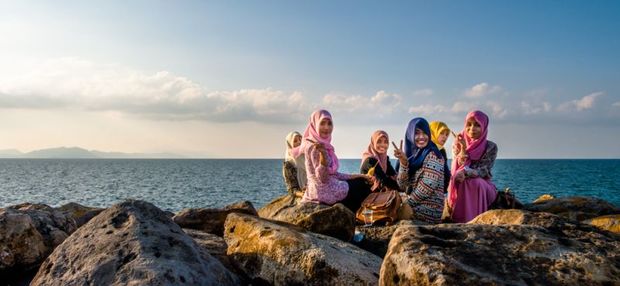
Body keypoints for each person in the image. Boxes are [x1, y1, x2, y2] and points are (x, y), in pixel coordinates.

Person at [300, 109, 372, 212]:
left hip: (321, 189)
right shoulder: (314, 146)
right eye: (322, 123)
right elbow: (322, 178)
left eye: (329, 123)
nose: (326, 127)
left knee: (360, 181)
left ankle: (351, 216)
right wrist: (323, 156)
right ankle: (351, 216)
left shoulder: (322, 144)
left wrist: (360, 175)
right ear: (314, 124)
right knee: (362, 186)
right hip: (323, 193)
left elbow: (333, 174)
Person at [447, 110, 498, 223]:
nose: (472, 128)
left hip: (483, 185)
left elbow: (484, 171)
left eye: (477, 125)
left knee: (474, 182)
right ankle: (459, 219)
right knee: (462, 181)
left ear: (484, 127)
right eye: (468, 124)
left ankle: (474, 220)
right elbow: (456, 167)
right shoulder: (457, 143)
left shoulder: (491, 147)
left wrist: (466, 172)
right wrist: (463, 149)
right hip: (460, 180)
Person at [393, 118, 446, 224]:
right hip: (415, 205)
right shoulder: (411, 156)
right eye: (416, 133)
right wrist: (403, 163)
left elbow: (428, 185)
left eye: (425, 133)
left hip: (429, 210)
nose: (421, 137)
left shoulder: (433, 154)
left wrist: (407, 203)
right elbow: (402, 185)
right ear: (410, 135)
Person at [429, 121, 452, 193]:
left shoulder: (424, 148)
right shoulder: (439, 150)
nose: (444, 137)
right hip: (434, 192)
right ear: (432, 132)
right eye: (441, 133)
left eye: (446, 134)